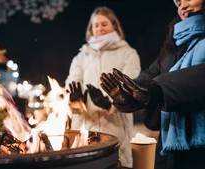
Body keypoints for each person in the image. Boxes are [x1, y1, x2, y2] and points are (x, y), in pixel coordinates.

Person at [100, 0, 205, 169]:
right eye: (178, 2)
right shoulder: (174, 44)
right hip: (171, 146)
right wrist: (127, 95)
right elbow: (150, 77)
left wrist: (157, 89)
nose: (182, 5)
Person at [65, 6, 141, 168]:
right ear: (90, 29)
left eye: (104, 24)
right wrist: (75, 99)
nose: (100, 28)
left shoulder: (128, 53)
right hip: (84, 130)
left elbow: (131, 88)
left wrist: (109, 103)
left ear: (114, 25)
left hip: (115, 128)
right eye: (96, 25)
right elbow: (72, 82)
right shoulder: (81, 57)